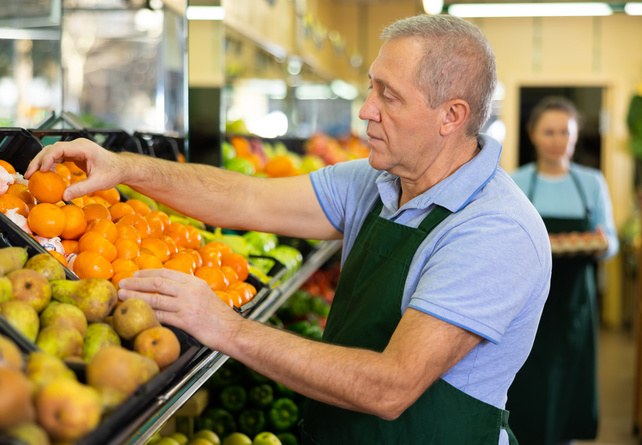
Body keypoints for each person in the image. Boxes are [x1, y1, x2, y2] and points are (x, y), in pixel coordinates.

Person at [26, 14, 551, 444]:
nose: (365, 111)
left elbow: (391, 387)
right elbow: (248, 196)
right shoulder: (379, 180)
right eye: (371, 88)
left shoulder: (495, 231)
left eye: (388, 97)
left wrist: (224, 327)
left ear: (451, 115)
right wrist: (129, 168)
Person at [506, 96, 619, 445]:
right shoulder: (516, 182)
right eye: (549, 132)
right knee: (527, 385)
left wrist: (602, 245)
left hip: (574, 304)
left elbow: (610, 241)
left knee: (569, 383)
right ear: (532, 134)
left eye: (564, 132)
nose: (557, 140)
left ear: (575, 136)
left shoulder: (591, 182)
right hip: (526, 305)